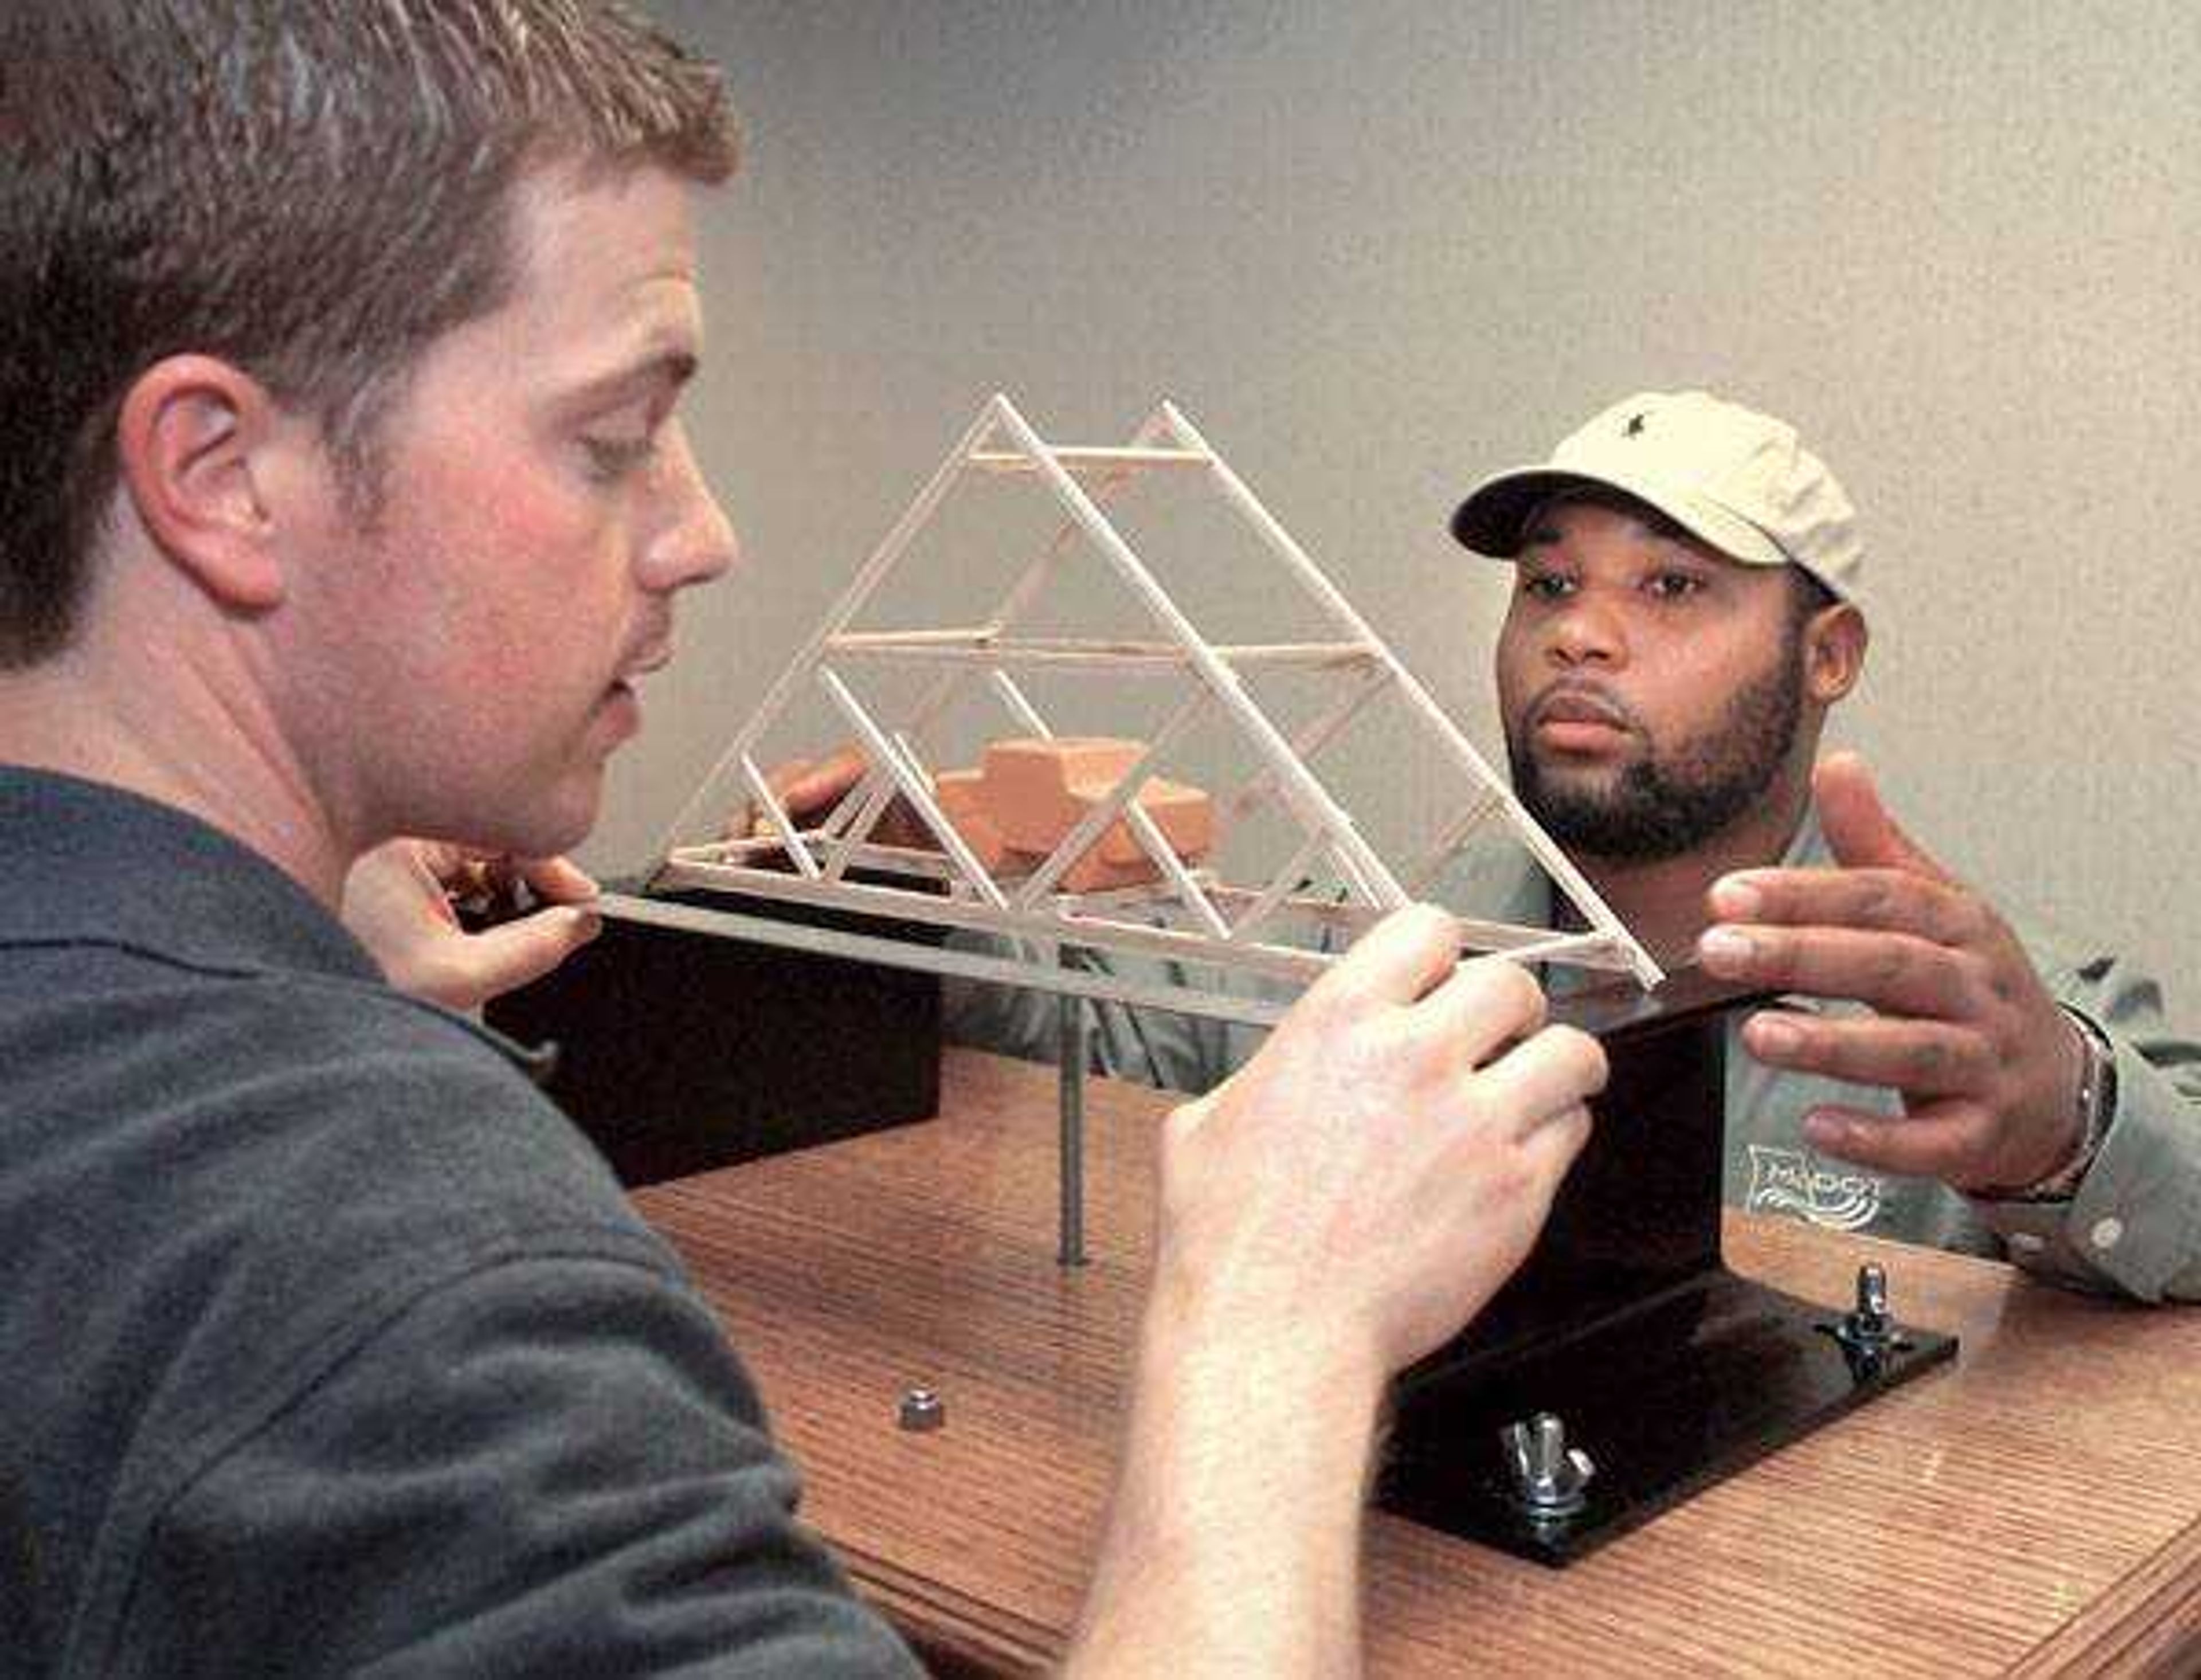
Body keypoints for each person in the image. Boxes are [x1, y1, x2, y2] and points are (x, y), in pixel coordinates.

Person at [0, 4, 1605, 1675]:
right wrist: (1278, 1328)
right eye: (613, 438)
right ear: (224, 473)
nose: (703, 531)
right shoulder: (398, 1264)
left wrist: (322, 974)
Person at [909, 391, 2201, 1303]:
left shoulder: (1986, 1011)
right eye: (1549, 584)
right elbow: (1088, 1041)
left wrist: (2068, 1125)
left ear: (1829, 654)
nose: (1579, 635)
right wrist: (913, 889)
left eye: (1672, 585)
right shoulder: (1363, 944)